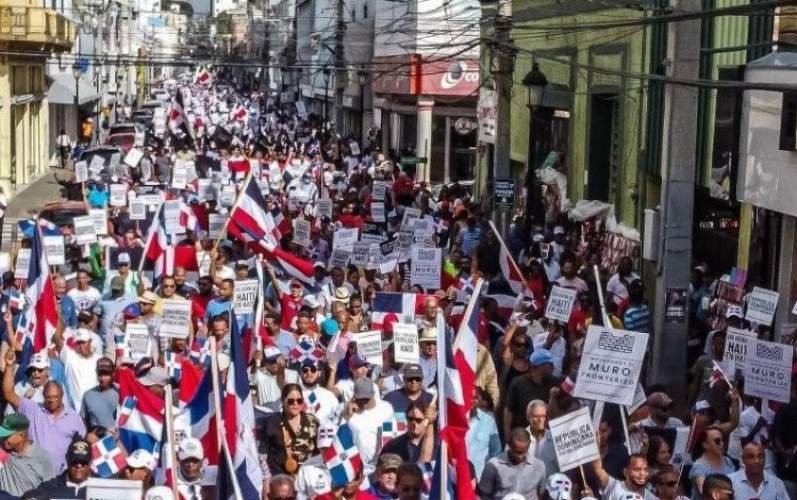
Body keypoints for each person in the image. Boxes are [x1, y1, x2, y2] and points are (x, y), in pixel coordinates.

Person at [3, 348, 85, 473]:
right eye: (48, 397)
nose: (52, 400)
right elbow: (8, 394)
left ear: (62, 396)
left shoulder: (73, 417)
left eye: (55, 397)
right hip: (33, 477)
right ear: (43, 396)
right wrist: (9, 366)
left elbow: (83, 444)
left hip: (61, 479)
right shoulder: (33, 409)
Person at [261, 383, 319, 476]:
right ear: (283, 401)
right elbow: (263, 454)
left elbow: (319, 451)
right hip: (280, 477)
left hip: (308, 476)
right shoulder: (272, 422)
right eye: (291, 401)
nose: (295, 404)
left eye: (299, 400)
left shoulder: (312, 421)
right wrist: (266, 480)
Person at [478, 428, 546, 499]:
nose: (520, 457)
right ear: (509, 445)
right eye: (517, 452)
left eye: (523, 452)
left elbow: (541, 494)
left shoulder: (539, 466)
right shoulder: (493, 466)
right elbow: (485, 495)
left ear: (529, 446)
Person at [347, 378, 395, 474]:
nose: (363, 401)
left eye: (366, 398)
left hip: (379, 467)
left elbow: (390, 438)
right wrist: (347, 417)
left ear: (373, 394)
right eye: (360, 398)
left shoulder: (386, 409)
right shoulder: (349, 410)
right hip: (355, 467)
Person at [503, 349, 558, 433]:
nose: (553, 367)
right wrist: (507, 436)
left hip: (547, 437)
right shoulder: (518, 383)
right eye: (550, 364)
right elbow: (509, 410)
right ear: (540, 366)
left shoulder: (555, 383)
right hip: (523, 436)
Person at [0, 414, 55, 496]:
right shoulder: (3, 451)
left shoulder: (43, 457)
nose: (3, 438)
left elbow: (50, 489)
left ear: (21, 435)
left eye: (7, 436)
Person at [690, 426, 738, 497]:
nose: (722, 444)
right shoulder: (699, 466)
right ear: (705, 445)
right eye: (717, 441)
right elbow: (704, 492)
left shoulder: (727, 461)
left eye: (723, 440)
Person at [592, 452, 656, 500]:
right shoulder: (614, 486)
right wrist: (594, 444)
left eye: (645, 469)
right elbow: (597, 468)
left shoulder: (651, 498)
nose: (642, 473)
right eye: (637, 469)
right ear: (626, 472)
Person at [80, 357, 118, 430]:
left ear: (113, 374)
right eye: (100, 374)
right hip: (96, 439)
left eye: (106, 374)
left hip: (116, 438)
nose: (102, 378)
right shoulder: (88, 395)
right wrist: (88, 436)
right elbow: (83, 421)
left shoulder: (120, 394)